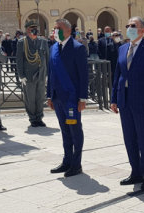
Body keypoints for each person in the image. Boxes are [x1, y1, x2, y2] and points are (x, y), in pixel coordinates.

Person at [111, 16, 144, 191]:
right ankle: (136, 172)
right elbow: (117, 75)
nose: (129, 28)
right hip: (124, 99)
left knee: (143, 138)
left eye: (133, 26)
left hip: (142, 101)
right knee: (129, 138)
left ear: (142, 30)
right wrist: (113, 99)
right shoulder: (123, 48)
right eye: (128, 25)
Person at [47, 19, 89, 177]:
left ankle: (76, 164)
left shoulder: (77, 48)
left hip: (72, 100)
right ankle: (67, 161)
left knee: (75, 130)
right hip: (57, 98)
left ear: (68, 31)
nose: (55, 31)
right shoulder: (53, 49)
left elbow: (83, 75)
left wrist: (83, 98)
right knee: (64, 130)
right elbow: (50, 73)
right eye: (54, 28)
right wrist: (49, 95)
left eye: (58, 28)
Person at [16, 19, 50, 127]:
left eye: (35, 29)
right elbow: (19, 60)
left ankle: (39, 117)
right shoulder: (22, 42)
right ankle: (32, 118)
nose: (34, 31)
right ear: (27, 30)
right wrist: (21, 76)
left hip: (41, 74)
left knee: (40, 98)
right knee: (30, 98)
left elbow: (47, 58)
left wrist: (48, 74)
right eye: (32, 29)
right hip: (29, 75)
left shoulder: (43, 41)